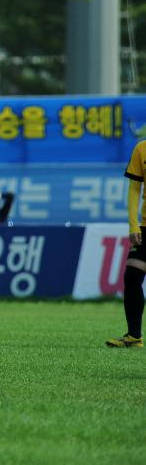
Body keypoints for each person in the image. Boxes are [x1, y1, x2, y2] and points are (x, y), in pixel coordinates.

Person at [106, 141, 146, 348]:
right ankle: (134, 336)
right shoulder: (142, 148)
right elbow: (134, 189)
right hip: (145, 227)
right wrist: (134, 224)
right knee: (132, 277)